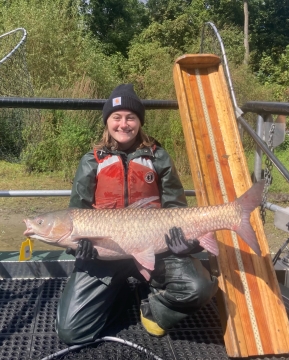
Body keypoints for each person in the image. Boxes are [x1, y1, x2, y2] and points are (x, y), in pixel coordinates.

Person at [56, 84, 218, 345]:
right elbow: (77, 213)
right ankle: (117, 295)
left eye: (130, 117)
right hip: (105, 254)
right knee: (71, 332)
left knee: (199, 288)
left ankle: (154, 308)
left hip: (154, 245)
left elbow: (175, 206)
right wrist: (79, 248)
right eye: (116, 117)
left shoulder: (159, 156)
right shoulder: (91, 161)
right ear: (107, 120)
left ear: (139, 121)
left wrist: (182, 241)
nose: (123, 124)